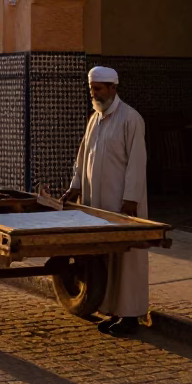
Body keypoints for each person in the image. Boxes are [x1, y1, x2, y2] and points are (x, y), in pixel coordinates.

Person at [62, 65, 148, 338]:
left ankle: (131, 315)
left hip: (121, 204)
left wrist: (130, 200)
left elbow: (136, 162)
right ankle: (113, 310)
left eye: (98, 89)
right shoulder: (94, 120)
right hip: (96, 204)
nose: (94, 94)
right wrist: (75, 187)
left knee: (126, 260)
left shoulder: (130, 119)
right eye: (92, 89)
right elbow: (82, 157)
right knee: (105, 258)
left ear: (113, 88)